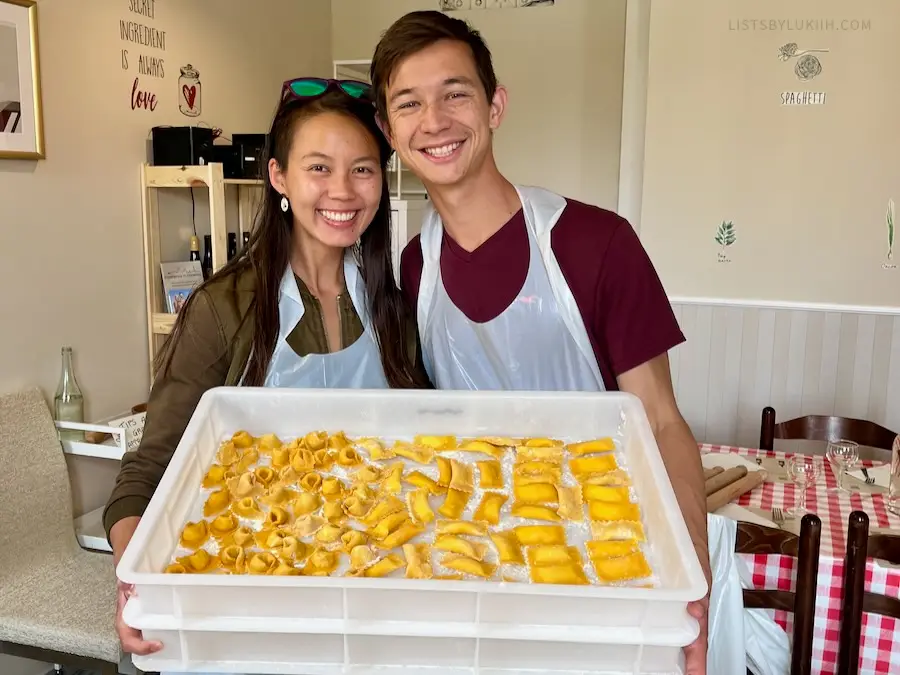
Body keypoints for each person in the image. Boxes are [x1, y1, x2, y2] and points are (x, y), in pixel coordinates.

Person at [370, 11, 711, 673]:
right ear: (388, 130)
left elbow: (664, 422)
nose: (434, 120)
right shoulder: (413, 268)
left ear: (495, 105)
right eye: (409, 103)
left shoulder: (597, 244)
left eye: (455, 93)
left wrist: (690, 582)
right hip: (472, 574)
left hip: (599, 563)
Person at [103, 77, 431, 659]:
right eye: (319, 168)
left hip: (375, 601)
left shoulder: (392, 306)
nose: (343, 191)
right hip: (251, 608)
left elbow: (424, 444)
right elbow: (147, 472)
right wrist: (134, 583)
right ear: (278, 176)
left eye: (362, 169)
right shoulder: (224, 309)